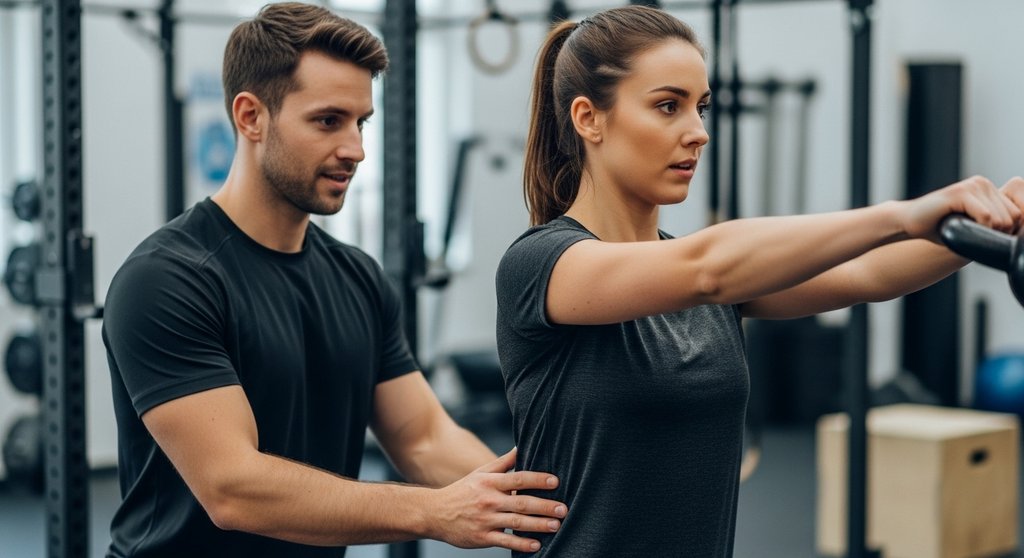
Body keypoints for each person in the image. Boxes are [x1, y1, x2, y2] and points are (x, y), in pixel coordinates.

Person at [495, 5, 1024, 557]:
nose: (698, 133)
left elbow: (865, 272)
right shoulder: (543, 265)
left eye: (701, 108)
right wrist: (903, 214)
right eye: (668, 106)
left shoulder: (709, 277)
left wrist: (993, 229)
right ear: (589, 118)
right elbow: (706, 269)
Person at [102, 3, 566, 556]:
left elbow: (424, 437)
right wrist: (435, 511)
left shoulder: (358, 278)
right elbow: (233, 488)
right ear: (251, 117)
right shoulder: (167, 281)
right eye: (328, 121)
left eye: (360, 122)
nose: (356, 150)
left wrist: (545, 506)